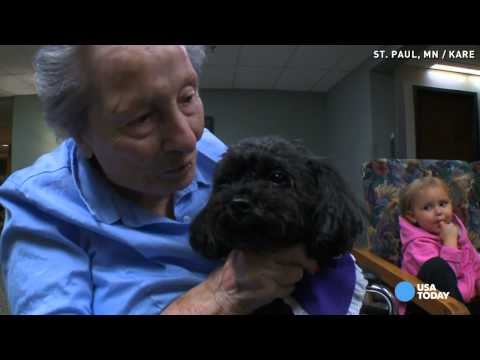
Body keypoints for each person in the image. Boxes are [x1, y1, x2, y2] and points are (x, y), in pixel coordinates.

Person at [0, 45, 365, 315]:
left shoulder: (207, 149)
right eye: (141, 119)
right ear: (79, 134)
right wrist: (220, 296)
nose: (188, 138)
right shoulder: (41, 206)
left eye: (187, 96)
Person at [398, 176, 480, 314]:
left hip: (463, 303)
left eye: (443, 204)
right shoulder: (417, 245)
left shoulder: (456, 231)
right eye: (427, 207)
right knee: (437, 266)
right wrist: (450, 242)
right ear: (412, 216)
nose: (438, 212)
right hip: (425, 303)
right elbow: (447, 279)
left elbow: (474, 262)